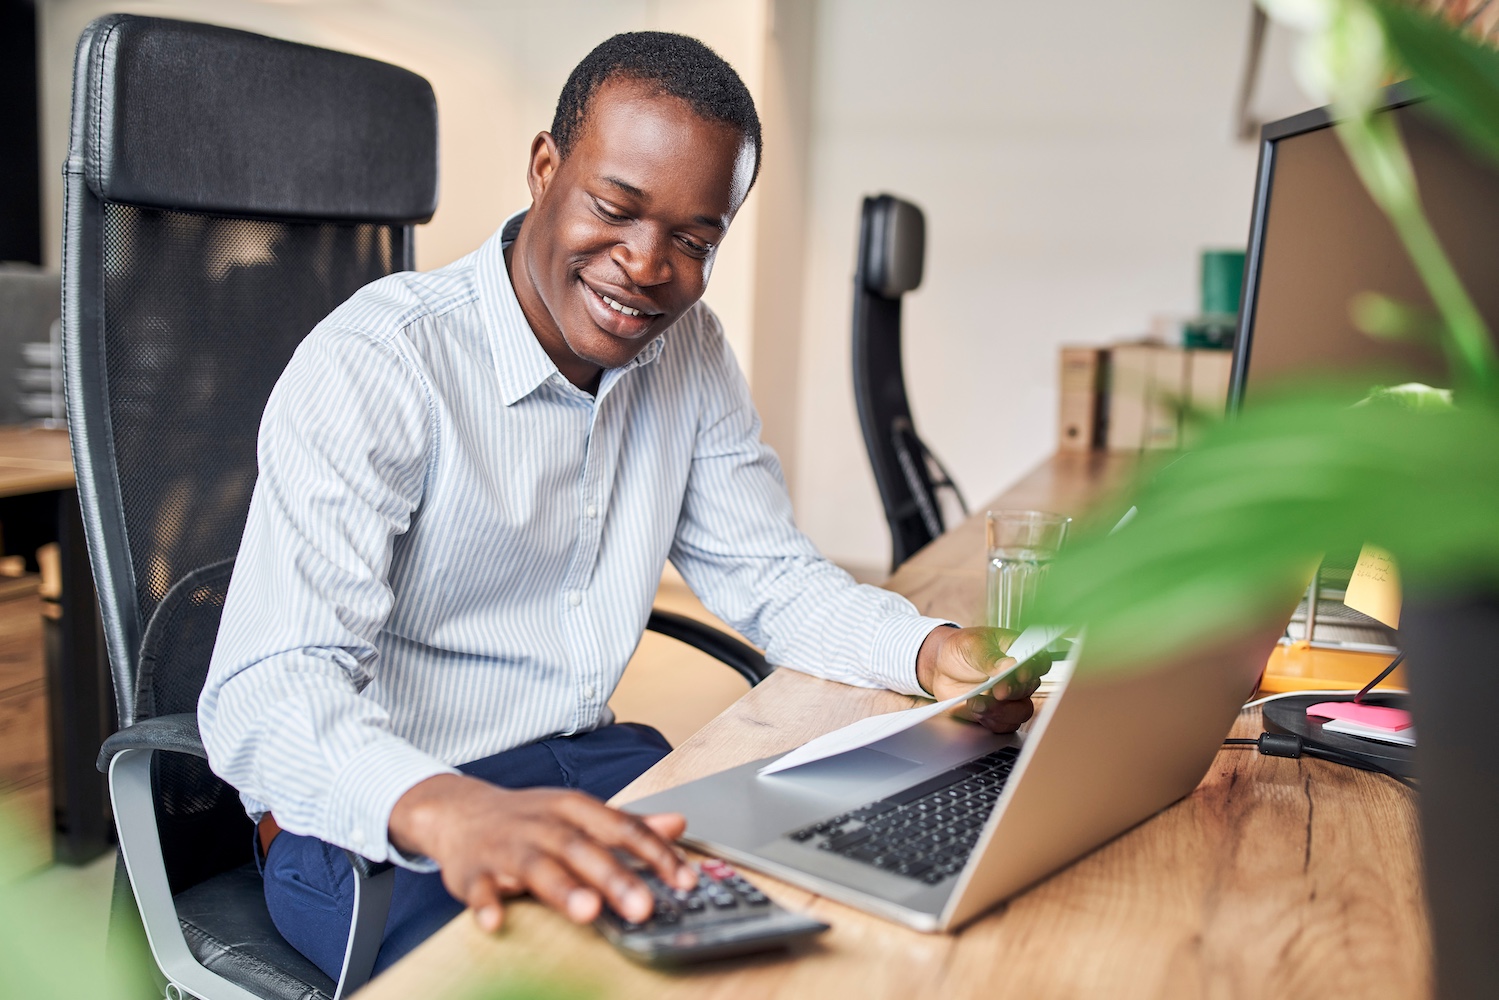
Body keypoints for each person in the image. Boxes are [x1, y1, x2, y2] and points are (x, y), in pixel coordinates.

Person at [199, 31, 1037, 978]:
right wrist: (448, 808)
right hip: (375, 825)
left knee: (824, 917)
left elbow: (769, 577)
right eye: (615, 208)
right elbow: (266, 694)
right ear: (545, 166)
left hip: (583, 767)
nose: (645, 266)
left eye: (692, 238)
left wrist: (931, 651)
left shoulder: (689, 350)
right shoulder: (381, 363)